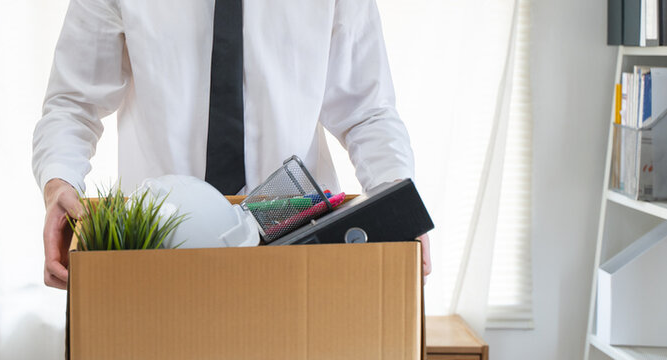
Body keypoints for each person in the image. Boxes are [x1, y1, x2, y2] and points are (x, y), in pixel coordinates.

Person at [33, 0, 430, 290]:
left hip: (299, 247)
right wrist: (58, 183)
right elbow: (73, 103)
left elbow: (366, 109)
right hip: (158, 255)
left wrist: (398, 201)